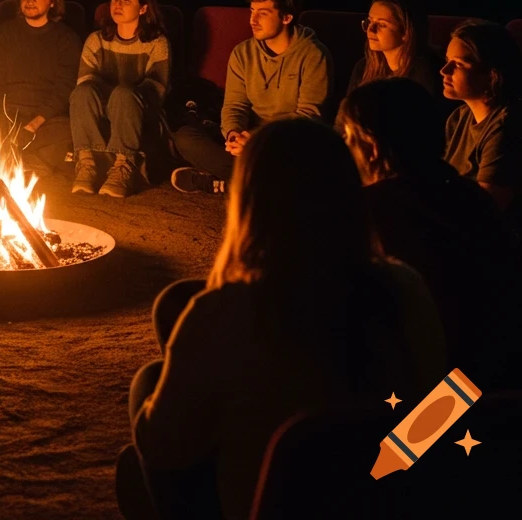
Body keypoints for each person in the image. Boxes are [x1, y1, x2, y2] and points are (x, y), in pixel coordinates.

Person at [119, 118, 445, 520]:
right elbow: (439, 410)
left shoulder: (223, 311)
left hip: (265, 506)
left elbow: (165, 448)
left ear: (248, 198)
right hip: (385, 500)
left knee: (148, 385)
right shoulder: (404, 285)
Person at [340, 77, 522, 390]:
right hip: (500, 388)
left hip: (443, 407)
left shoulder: (369, 214)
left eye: (346, 137)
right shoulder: (470, 196)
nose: (344, 148)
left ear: (371, 146)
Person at [172, 0, 331, 192]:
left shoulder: (313, 54)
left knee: (302, 158)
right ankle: (257, 182)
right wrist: (234, 134)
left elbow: (309, 115)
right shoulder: (243, 53)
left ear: (286, 17)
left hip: (286, 140)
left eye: (262, 13)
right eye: (252, 11)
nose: (253, 20)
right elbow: (235, 105)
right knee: (185, 138)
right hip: (248, 139)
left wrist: (259, 138)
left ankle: (229, 183)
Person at [70, 0, 169, 198]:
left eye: (126, 0)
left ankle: (124, 165)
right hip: (104, 107)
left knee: (124, 93)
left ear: (143, 8)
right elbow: (85, 81)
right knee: (82, 92)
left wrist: (122, 95)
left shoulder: (156, 43)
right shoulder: (97, 40)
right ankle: (86, 162)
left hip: (139, 110)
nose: (118, 4)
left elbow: (157, 89)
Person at [0, 0, 80, 178]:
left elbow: (65, 89)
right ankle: (31, 160)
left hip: (47, 119)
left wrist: (35, 123)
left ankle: (25, 161)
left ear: (52, 1)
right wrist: (2, 119)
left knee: (70, 131)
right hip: (10, 114)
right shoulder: (4, 34)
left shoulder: (66, 38)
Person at [442, 19, 522, 224]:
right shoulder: (459, 118)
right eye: (447, 60)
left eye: (458, 64)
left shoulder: (507, 126)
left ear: (491, 75)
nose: (444, 70)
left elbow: (487, 208)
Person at [346, 0, 443, 96]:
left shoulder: (427, 72)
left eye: (382, 24)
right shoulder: (364, 67)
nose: (370, 29)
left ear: (406, 32)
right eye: (370, 21)